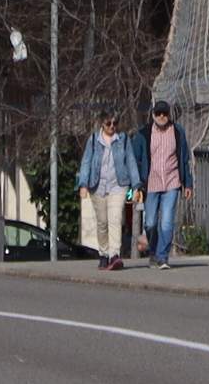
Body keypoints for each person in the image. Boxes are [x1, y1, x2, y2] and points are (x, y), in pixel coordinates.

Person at [76, 112, 138, 270]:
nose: (112, 127)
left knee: (115, 219)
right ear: (102, 124)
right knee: (102, 222)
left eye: (115, 123)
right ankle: (103, 254)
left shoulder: (123, 140)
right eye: (108, 123)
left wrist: (136, 185)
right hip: (97, 186)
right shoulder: (94, 140)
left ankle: (115, 255)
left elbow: (131, 162)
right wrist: (83, 184)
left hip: (118, 185)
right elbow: (86, 162)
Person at [140, 101, 189, 265]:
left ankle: (162, 256)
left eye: (165, 114)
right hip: (151, 183)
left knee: (167, 221)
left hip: (171, 181)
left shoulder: (177, 132)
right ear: (153, 114)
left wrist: (187, 184)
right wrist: (137, 185)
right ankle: (153, 250)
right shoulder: (144, 134)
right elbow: (137, 159)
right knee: (150, 223)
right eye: (158, 113)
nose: (162, 117)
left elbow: (184, 159)